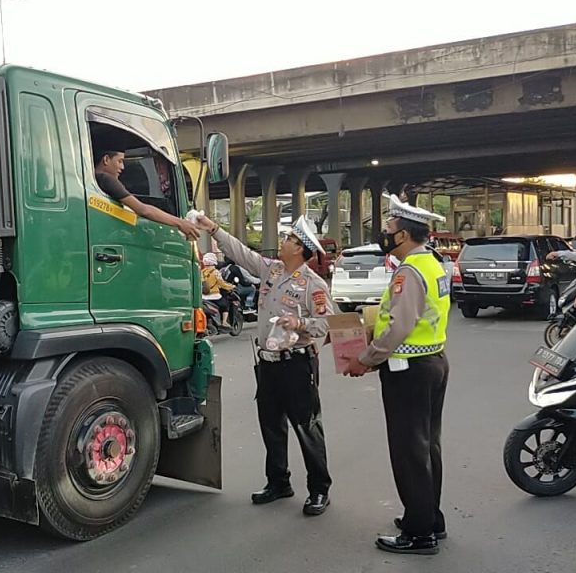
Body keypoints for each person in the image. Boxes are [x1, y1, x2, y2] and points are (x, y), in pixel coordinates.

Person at [193, 213, 334, 516]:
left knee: (307, 427)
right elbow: (241, 253)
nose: (282, 242)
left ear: (300, 248)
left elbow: (326, 325)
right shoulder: (271, 271)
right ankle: (278, 481)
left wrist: (298, 323)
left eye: (289, 239)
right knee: (271, 424)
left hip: (297, 364)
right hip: (268, 362)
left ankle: (319, 489)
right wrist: (214, 229)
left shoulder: (313, 284)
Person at [341, 194, 450, 556]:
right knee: (427, 445)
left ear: (403, 235)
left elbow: (398, 327)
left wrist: (366, 359)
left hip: (409, 370)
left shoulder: (409, 271)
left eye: (388, 229)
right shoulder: (434, 263)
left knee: (409, 451)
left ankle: (420, 534)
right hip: (432, 361)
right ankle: (429, 518)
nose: (384, 235)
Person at [93, 148, 200, 240]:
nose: (123, 167)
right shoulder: (105, 179)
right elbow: (143, 210)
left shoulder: (95, 180)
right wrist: (180, 223)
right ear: (106, 159)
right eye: (120, 161)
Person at [201, 252, 236, 330]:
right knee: (226, 304)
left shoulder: (201, 272)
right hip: (214, 296)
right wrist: (231, 287)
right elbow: (222, 284)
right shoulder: (216, 272)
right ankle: (224, 322)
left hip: (203, 297)